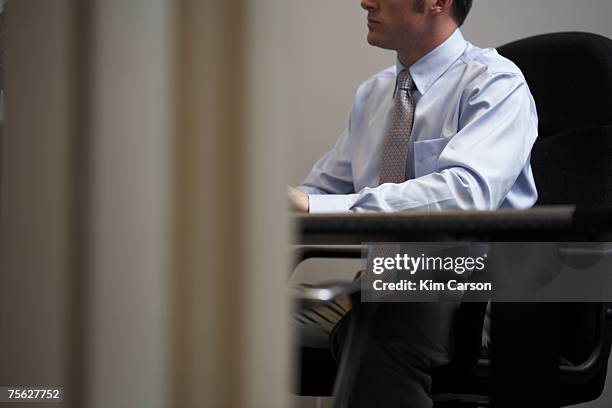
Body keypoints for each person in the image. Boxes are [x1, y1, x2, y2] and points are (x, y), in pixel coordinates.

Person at [289, 0, 538, 407]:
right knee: (245, 313)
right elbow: (321, 192)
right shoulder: (374, 93)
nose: (365, 1)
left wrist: (314, 208)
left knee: (383, 322)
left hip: (486, 288)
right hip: (390, 283)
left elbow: (466, 193)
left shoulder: (495, 83)